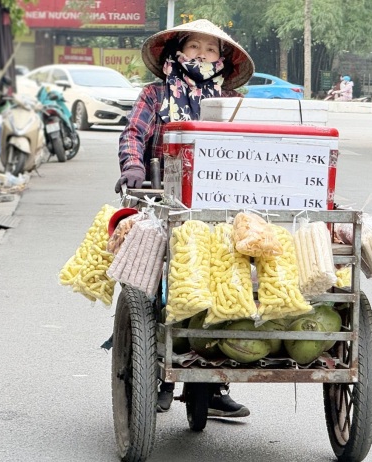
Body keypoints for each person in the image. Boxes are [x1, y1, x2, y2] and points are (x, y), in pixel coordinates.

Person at [115, 19, 255, 417]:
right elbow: (132, 135)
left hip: (220, 206)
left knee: (227, 280)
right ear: (177, 52)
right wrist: (132, 167)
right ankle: (154, 372)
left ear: (223, 60)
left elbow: (250, 147)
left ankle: (214, 384)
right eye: (194, 46)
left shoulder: (233, 100)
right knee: (160, 282)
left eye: (211, 50)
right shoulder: (155, 95)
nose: (202, 55)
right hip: (163, 201)